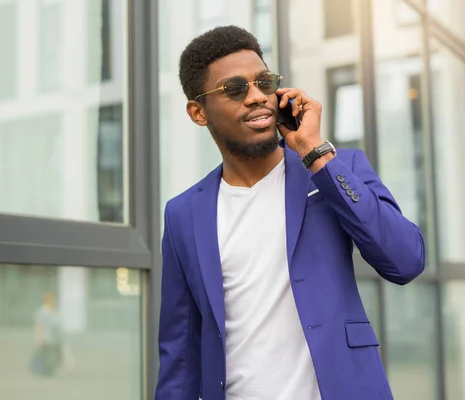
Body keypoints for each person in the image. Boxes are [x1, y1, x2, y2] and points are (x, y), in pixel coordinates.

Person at [155, 25, 424, 400]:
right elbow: (180, 354)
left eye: (264, 82)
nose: (256, 97)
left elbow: (406, 260)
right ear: (198, 113)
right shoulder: (184, 213)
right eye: (234, 89)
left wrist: (315, 153)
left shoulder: (334, 169)